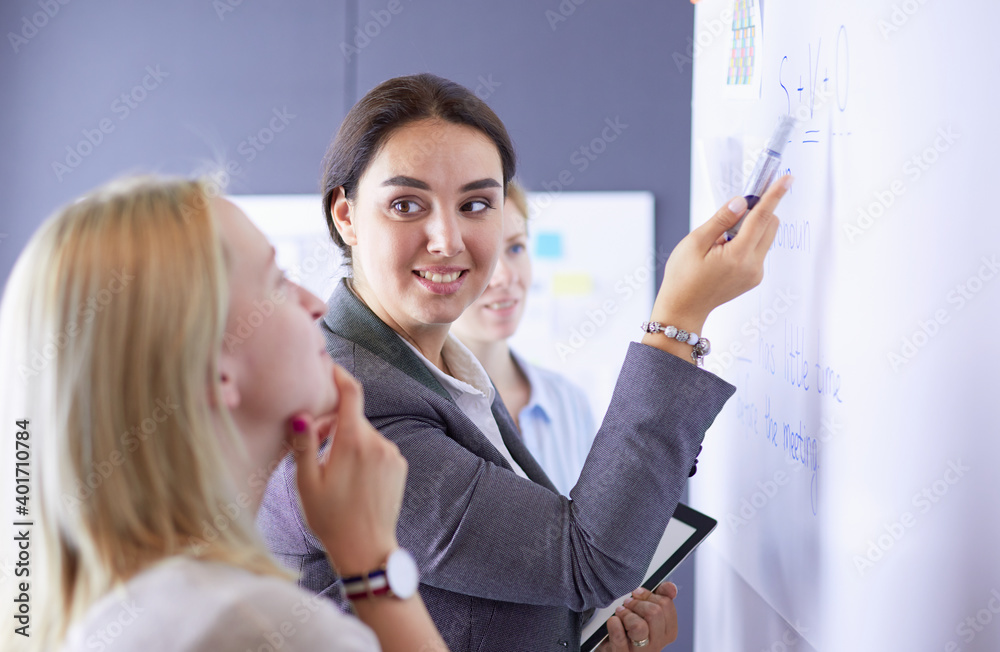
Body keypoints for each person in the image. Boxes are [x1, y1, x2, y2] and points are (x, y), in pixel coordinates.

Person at [257, 73, 789, 651]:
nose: (447, 239)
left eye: (477, 204)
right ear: (346, 216)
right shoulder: (352, 409)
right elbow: (584, 562)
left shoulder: (440, 373)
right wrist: (678, 320)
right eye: (407, 204)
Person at [0, 176, 448, 652]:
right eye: (277, 281)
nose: (316, 305)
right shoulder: (254, 627)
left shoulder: (89, 613)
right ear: (211, 369)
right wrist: (371, 557)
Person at [451, 180, 596, 496]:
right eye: (478, 253)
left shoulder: (569, 402)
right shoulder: (422, 413)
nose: (504, 276)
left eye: (515, 248)